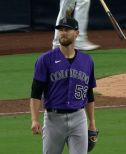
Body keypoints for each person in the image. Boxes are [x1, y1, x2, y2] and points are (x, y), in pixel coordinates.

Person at [30, 17, 97, 154]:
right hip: (53, 120)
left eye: (67, 29)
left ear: (76, 33)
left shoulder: (87, 61)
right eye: (60, 30)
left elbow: (89, 94)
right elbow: (36, 93)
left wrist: (92, 122)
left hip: (79, 118)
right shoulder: (45, 60)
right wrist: (34, 119)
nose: (63, 33)